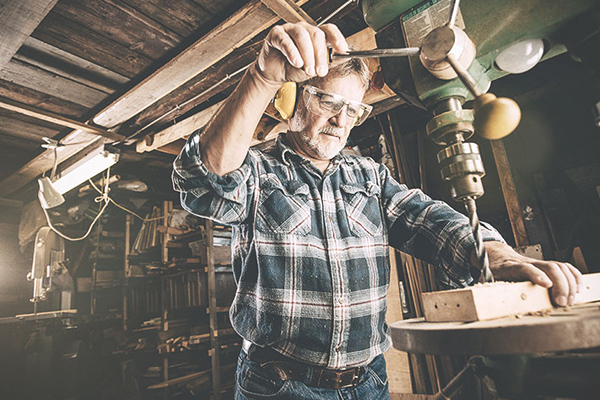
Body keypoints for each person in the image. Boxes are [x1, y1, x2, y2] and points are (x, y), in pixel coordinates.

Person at [173, 22, 582, 400]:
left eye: (354, 110)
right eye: (330, 102)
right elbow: (203, 183)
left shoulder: (368, 175)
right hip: (279, 385)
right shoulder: (257, 171)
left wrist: (498, 255)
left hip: (367, 383)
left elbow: (429, 220)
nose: (340, 121)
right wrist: (263, 77)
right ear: (294, 99)